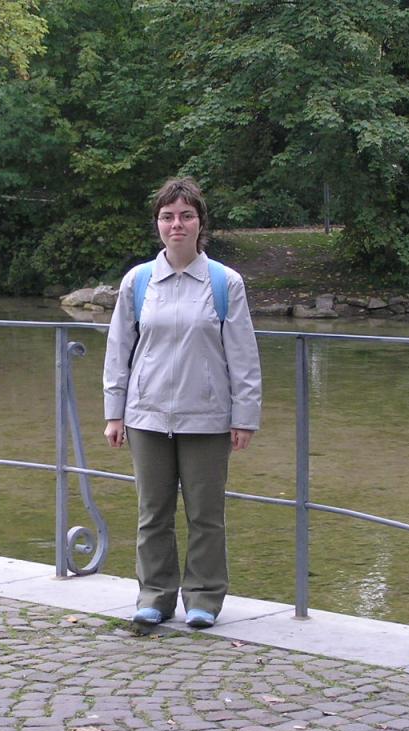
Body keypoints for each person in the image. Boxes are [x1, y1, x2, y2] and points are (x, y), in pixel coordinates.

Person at [102, 177, 262, 630]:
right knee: (152, 513)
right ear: (158, 223)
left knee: (205, 514)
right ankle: (154, 594)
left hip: (207, 418)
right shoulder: (138, 281)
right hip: (146, 416)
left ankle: (204, 598)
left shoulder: (224, 283)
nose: (177, 224)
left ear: (200, 223)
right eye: (168, 216)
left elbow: (243, 356)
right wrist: (114, 413)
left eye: (186, 216)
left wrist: (244, 417)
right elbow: (119, 348)